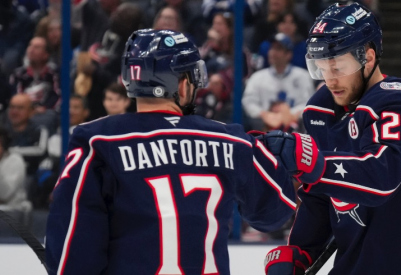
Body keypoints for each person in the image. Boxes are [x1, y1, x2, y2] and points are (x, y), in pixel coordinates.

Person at [44, 29, 324, 274]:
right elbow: (274, 212)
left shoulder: (96, 142)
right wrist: (278, 159)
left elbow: (72, 250)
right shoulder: (230, 139)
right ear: (181, 83)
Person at [262, 3, 401, 275]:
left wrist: (312, 162)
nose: (330, 80)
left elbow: (379, 178)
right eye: (321, 68)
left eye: (338, 67)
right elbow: (319, 193)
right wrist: (300, 250)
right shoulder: (321, 110)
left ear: (368, 56)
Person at [242, 33, 314, 132]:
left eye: (278, 49)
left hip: (296, 129)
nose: (272, 52)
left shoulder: (303, 76)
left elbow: (308, 103)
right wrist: (265, 114)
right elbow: (248, 102)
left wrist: (290, 114)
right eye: (272, 48)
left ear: (288, 54)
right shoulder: (257, 77)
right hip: (264, 128)